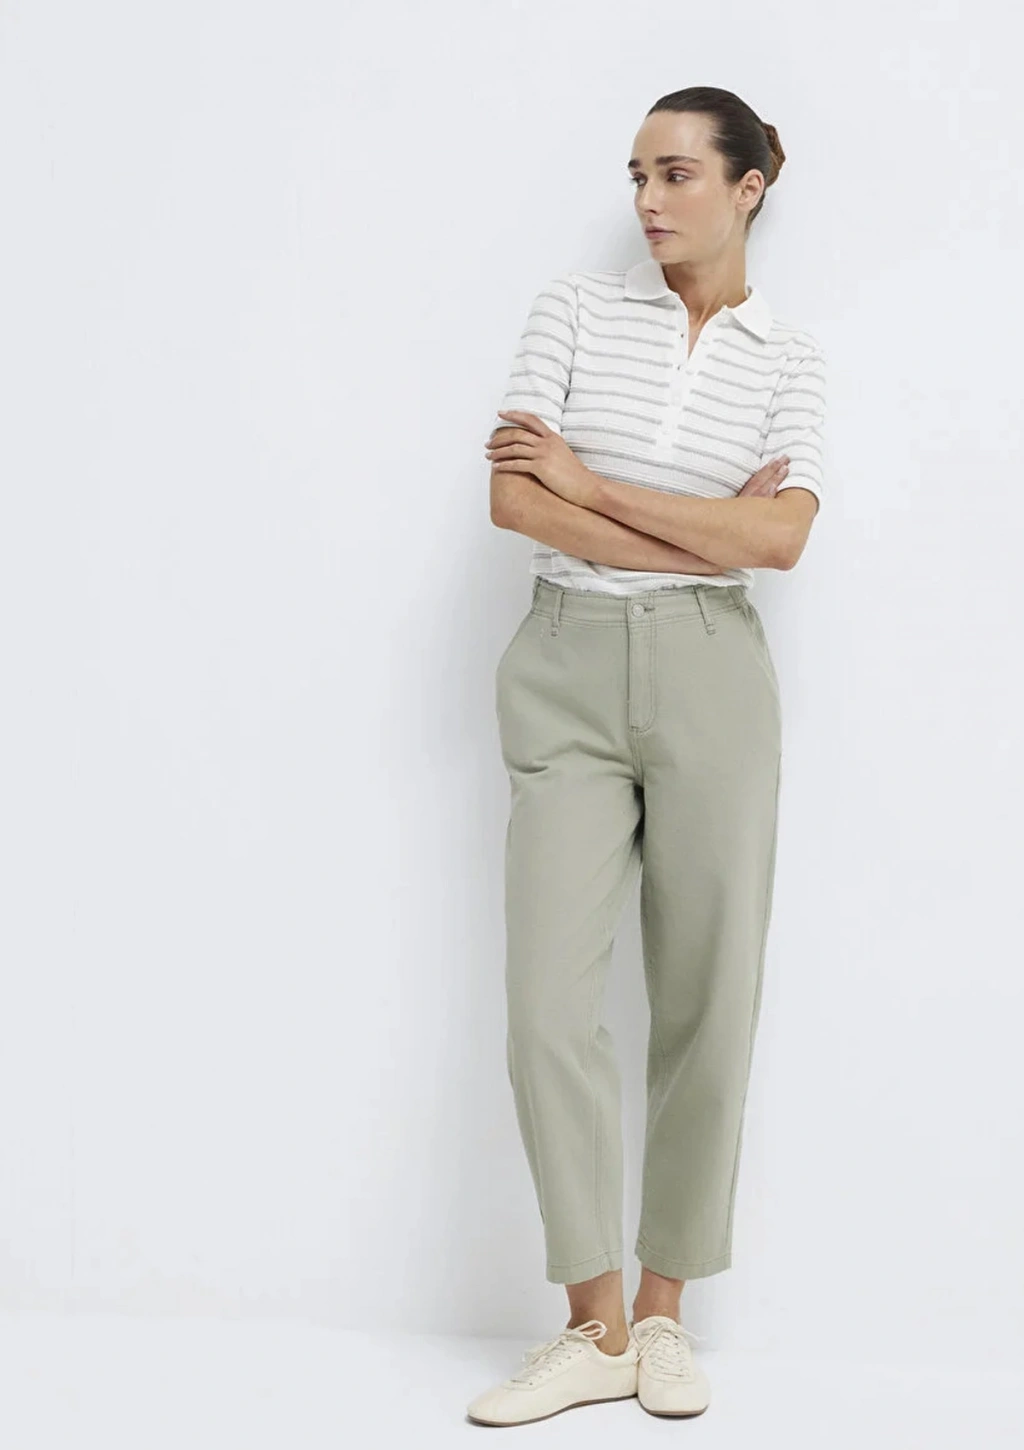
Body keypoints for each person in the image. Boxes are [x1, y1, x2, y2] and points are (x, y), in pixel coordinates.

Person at [466, 86, 827, 1427]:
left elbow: (780, 541)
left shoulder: (789, 359)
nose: (647, 199)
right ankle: (594, 1324)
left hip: (714, 678)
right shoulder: (572, 311)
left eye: (675, 173)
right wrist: (692, 526)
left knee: (706, 996)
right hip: (563, 666)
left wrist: (596, 484)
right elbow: (513, 498)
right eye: (636, 174)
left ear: (747, 186)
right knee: (545, 1010)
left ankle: (663, 1314)